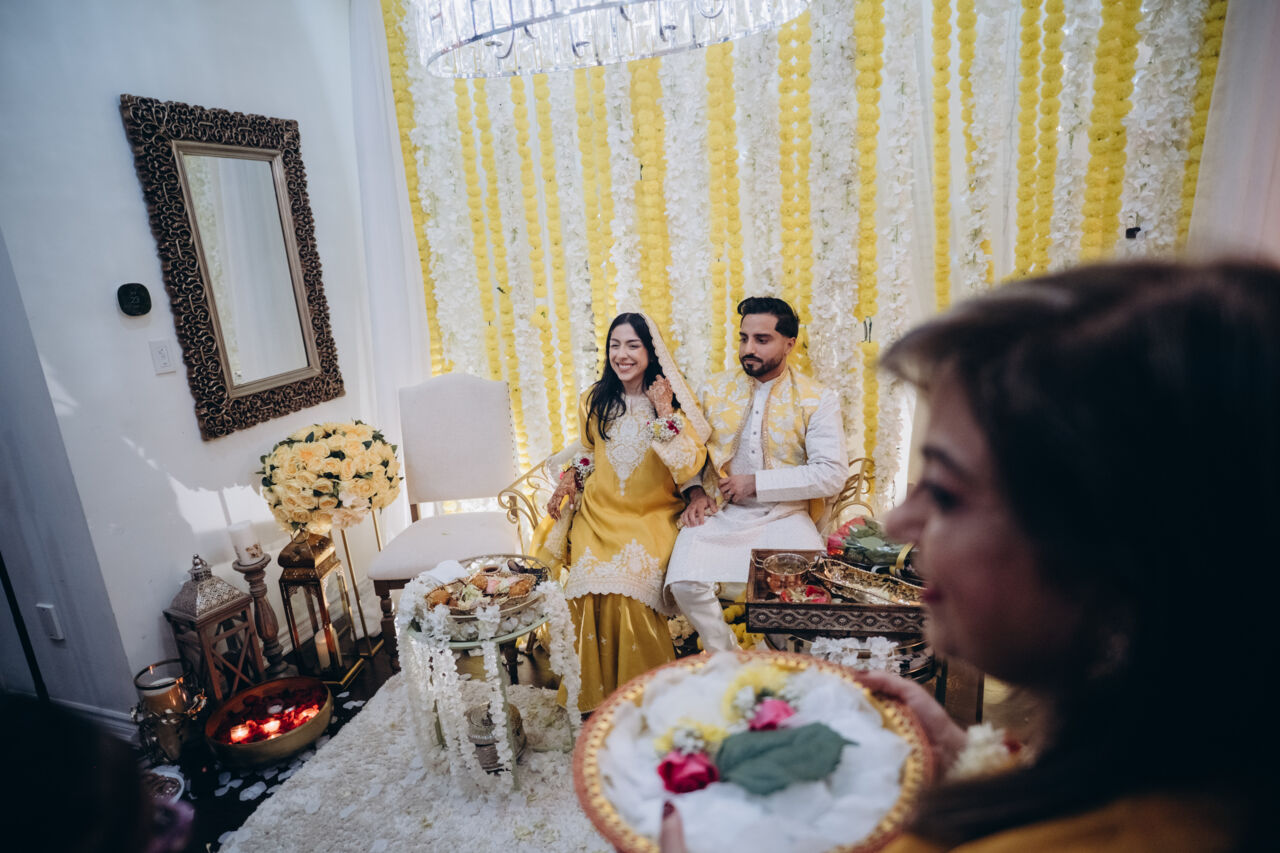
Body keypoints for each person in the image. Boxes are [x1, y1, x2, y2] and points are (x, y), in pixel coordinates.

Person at [657, 260, 1280, 852]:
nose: (898, 523)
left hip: (781, 517)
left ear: (1111, 553)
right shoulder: (1174, 794)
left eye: (948, 491)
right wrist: (968, 758)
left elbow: (825, 473)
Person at [536, 312, 710, 712]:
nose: (622, 354)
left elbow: (688, 465)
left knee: (629, 591)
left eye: (633, 345)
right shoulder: (594, 399)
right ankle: (592, 700)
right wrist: (570, 478)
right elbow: (588, 452)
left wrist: (664, 411)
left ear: (651, 351)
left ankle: (646, 698)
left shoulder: (671, 401)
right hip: (598, 516)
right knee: (587, 582)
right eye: (615, 345)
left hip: (652, 517)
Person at [664, 297, 848, 651]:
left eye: (762, 340)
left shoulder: (817, 399)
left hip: (785, 515)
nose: (748, 349)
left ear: (789, 344)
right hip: (722, 512)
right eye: (744, 338)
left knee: (806, 594)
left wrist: (756, 484)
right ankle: (726, 656)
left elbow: (831, 473)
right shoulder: (713, 390)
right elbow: (687, 452)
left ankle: (773, 658)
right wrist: (695, 492)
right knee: (684, 581)